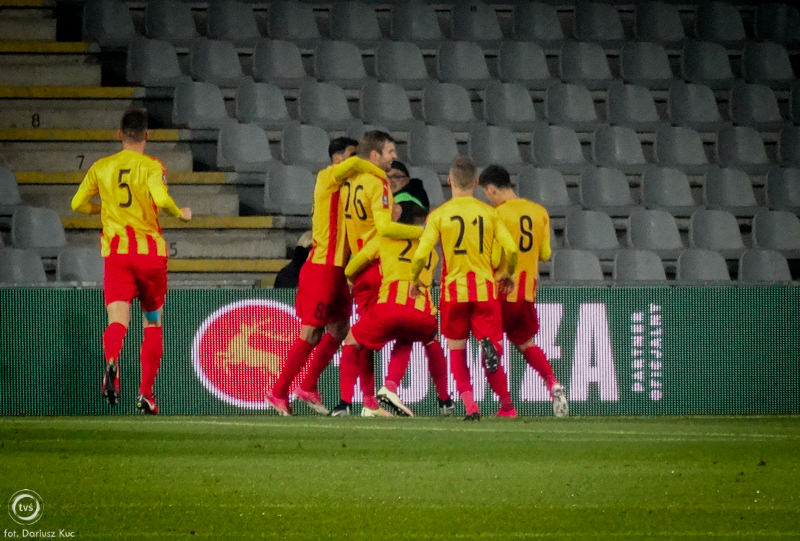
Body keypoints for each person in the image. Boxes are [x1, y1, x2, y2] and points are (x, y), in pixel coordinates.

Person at [70, 108, 192, 415]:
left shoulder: (101, 167)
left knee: (117, 321)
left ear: (119, 135)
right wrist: (181, 213)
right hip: (149, 255)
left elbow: (76, 204)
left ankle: (112, 363)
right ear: (147, 135)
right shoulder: (152, 166)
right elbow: (161, 200)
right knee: (152, 322)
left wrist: (101, 210)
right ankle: (146, 394)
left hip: (117, 256)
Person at [410, 156, 518, 421]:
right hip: (484, 290)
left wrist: (415, 279)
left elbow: (421, 254)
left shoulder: (439, 215)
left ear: (449, 181)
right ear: (476, 182)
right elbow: (511, 248)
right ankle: (506, 406)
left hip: (454, 292)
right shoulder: (490, 213)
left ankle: (471, 406)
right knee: (491, 344)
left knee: (457, 352)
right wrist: (508, 273)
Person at [265, 137, 365, 416]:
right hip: (322, 267)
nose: (356, 161)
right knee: (311, 331)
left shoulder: (349, 187)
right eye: (352, 156)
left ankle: (308, 385)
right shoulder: (326, 177)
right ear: (337, 159)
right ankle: (278, 391)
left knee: (340, 329)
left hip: (339, 270)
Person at [331, 130, 425, 416]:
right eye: (390, 151)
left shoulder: (348, 182)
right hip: (377, 266)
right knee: (391, 331)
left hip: (359, 267)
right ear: (374, 155)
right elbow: (384, 228)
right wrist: (421, 232)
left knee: (364, 337)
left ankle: (364, 402)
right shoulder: (378, 182)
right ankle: (360, 399)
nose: (394, 156)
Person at [337, 196, 452, 417]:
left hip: (388, 309)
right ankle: (444, 400)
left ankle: (344, 404)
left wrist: (353, 277)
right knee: (427, 339)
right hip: (422, 314)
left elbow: (351, 268)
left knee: (352, 340)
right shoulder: (433, 253)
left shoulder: (384, 240)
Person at [478, 164, 569, 418]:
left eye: (486, 193)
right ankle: (552, 382)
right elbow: (546, 254)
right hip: (527, 292)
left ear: (492, 189)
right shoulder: (539, 212)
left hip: (502, 290)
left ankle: (506, 407)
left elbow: (495, 257)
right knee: (525, 343)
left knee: (490, 348)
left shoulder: (497, 214)